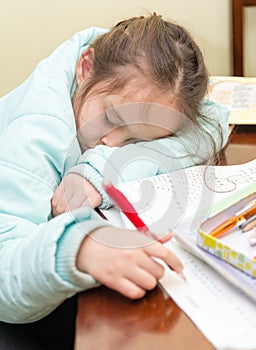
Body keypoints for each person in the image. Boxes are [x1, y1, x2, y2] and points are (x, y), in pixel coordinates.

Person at [0, 13, 229, 328]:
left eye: (136, 139)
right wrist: (79, 248)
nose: (110, 142)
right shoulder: (33, 132)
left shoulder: (123, 71)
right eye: (110, 119)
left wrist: (101, 168)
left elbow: (212, 123)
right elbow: (5, 280)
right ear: (85, 67)